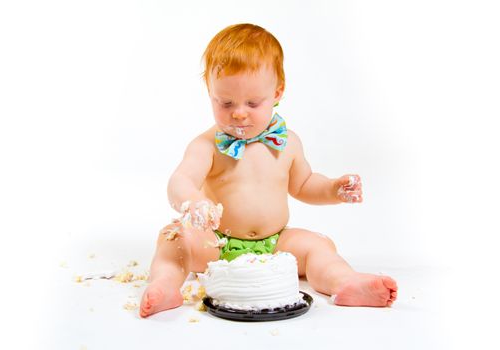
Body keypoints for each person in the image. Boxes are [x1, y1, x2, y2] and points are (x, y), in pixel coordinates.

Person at [140, 23, 397, 318]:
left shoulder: (288, 144)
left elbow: (304, 184)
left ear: (277, 92)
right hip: (216, 242)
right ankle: (164, 286)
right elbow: (181, 180)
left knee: (318, 246)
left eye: (252, 102)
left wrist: (332, 189)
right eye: (225, 102)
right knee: (174, 238)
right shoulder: (206, 145)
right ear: (210, 92)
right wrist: (193, 202)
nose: (238, 112)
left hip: (277, 244)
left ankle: (346, 282)